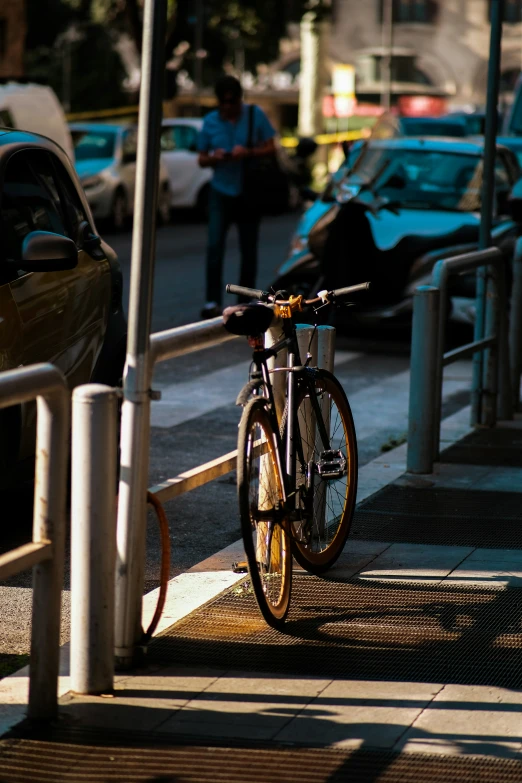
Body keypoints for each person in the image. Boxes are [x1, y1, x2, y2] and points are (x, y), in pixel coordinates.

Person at [198, 75, 276, 319]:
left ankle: (246, 300)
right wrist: (216, 157)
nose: (228, 106)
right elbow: (201, 158)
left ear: (240, 100)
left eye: (233, 102)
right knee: (214, 247)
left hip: (248, 190)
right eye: (224, 102)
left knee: (249, 248)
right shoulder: (210, 122)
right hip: (221, 190)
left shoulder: (254, 115)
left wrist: (248, 152)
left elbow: (272, 146)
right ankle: (212, 300)